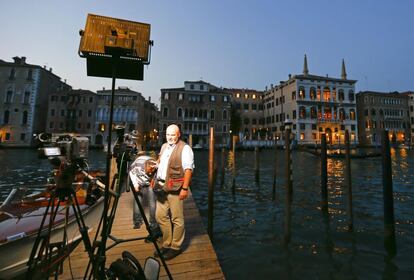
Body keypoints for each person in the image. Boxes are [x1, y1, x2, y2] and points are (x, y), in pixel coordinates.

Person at [153, 124, 194, 260]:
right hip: (161, 186)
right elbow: (160, 161)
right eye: (168, 135)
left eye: (173, 135)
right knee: (160, 216)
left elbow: (188, 170)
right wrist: (154, 166)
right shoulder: (164, 146)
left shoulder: (185, 148)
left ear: (178, 135)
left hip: (175, 188)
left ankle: (175, 247)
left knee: (177, 219)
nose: (170, 137)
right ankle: (166, 243)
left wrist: (184, 188)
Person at [129, 152, 160, 237]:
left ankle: (153, 223)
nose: (150, 173)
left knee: (152, 202)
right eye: (149, 172)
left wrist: (154, 181)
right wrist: (135, 184)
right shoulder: (136, 166)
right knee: (137, 200)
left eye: (152, 171)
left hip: (151, 182)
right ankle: (137, 222)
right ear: (144, 168)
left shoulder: (156, 166)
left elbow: (158, 175)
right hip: (139, 180)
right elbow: (131, 174)